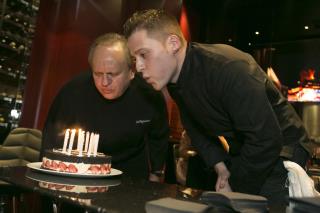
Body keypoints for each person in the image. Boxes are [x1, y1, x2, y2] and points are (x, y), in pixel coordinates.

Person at [123, 9, 312, 206]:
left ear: (173, 43)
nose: (139, 67)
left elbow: (267, 139)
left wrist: (236, 186)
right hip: (248, 147)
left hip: (284, 148)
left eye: (144, 54)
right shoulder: (174, 80)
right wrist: (220, 165)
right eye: (136, 59)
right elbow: (194, 126)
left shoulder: (229, 68)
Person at [41, 33, 169, 182]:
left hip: (130, 174)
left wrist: (156, 172)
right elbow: (50, 140)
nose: (104, 82)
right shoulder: (73, 92)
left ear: (131, 72)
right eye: (97, 74)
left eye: (112, 74)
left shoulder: (149, 95)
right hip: (81, 173)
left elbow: (159, 137)